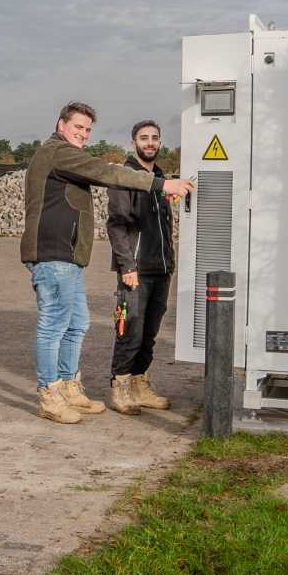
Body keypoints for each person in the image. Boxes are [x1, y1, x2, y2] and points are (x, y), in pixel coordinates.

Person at [21, 102, 194, 424]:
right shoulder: (57, 152)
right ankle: (49, 393)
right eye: (78, 128)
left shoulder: (64, 155)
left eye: (87, 129)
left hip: (68, 256)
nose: (83, 134)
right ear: (61, 125)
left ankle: (71, 388)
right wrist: (161, 184)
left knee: (77, 325)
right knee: (54, 326)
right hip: (52, 254)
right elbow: (106, 172)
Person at [106, 119, 180, 415]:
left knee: (150, 332)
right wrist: (127, 265)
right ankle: (121, 387)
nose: (150, 142)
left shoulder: (161, 177)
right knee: (130, 330)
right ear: (133, 142)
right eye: (144, 138)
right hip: (135, 270)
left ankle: (140, 384)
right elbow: (117, 225)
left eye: (155, 138)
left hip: (161, 268)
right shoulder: (125, 176)